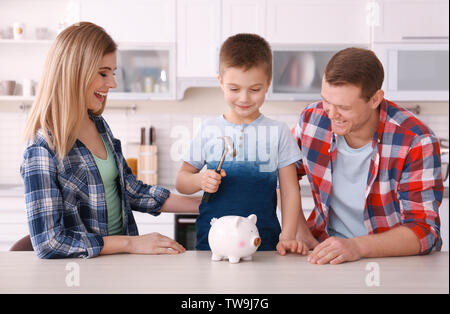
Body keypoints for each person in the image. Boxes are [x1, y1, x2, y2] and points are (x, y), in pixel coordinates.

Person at [21, 22, 200, 259]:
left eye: (112, 73)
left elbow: (131, 189)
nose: (113, 83)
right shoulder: (42, 146)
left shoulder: (98, 124)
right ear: (75, 71)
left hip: (120, 264)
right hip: (82, 275)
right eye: (103, 73)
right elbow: (49, 242)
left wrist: (201, 204)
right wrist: (130, 243)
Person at [292, 47, 444, 265]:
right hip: (324, 254)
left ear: (375, 99)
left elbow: (424, 230)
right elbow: (283, 171)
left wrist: (356, 246)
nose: (331, 114)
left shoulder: (416, 140)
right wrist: (299, 228)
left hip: (392, 261)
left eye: (343, 107)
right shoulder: (311, 120)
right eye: (326, 100)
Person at [176, 33, 316, 255]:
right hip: (212, 243)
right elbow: (181, 181)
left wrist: (287, 236)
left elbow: (289, 191)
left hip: (264, 242)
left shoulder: (278, 132)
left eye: (254, 90)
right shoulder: (207, 130)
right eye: (234, 89)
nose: (244, 98)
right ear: (220, 82)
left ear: (268, 84)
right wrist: (199, 180)